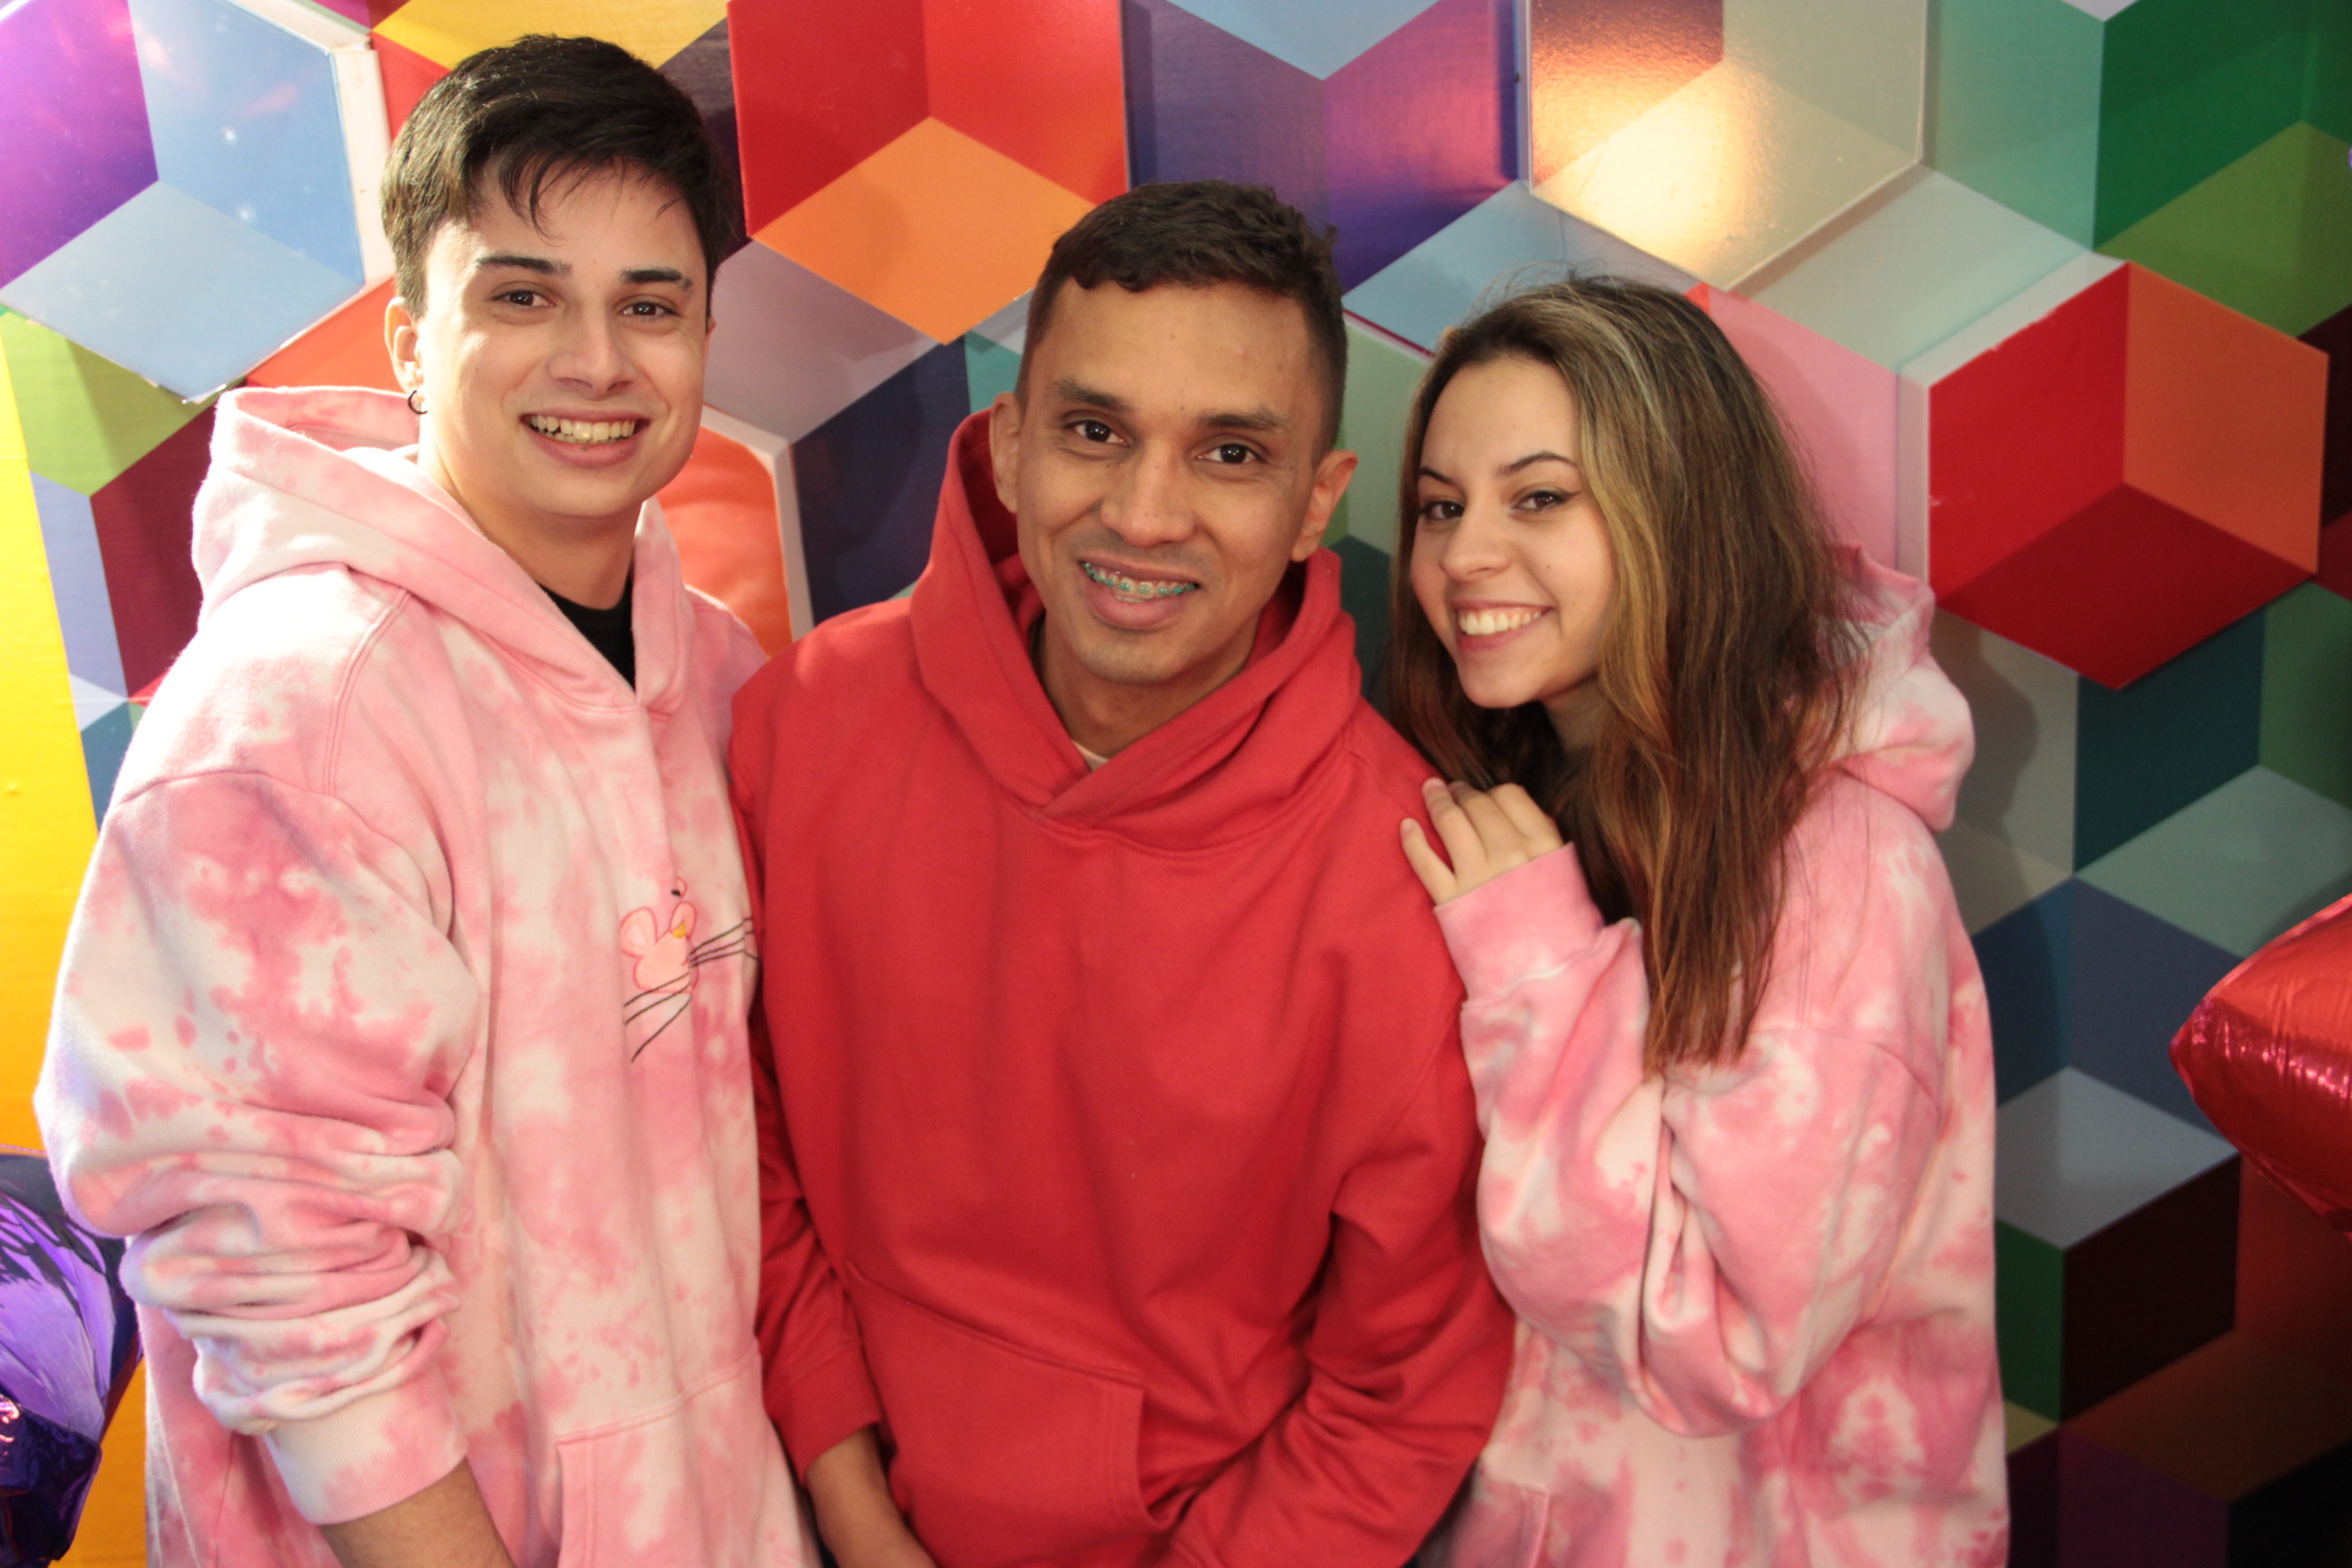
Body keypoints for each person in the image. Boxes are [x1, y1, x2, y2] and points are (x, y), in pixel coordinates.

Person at [34, 37, 810, 1568]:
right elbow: (292, 1296)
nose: (596, 360)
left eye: (650, 305)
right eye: (523, 296)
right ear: (408, 338)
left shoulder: (714, 675)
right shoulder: (300, 711)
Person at [731, 180, 1515, 1568]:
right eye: (1095, 432)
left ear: (1316, 505)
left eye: (1229, 454)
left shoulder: (1415, 888)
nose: (1146, 516)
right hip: (792, 1506)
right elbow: (740, 1141)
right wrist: (849, 1502)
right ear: (1011, 444)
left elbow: (1404, 1395)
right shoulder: (805, 721)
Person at [1389, 280, 2006, 1566]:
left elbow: (1718, 1339)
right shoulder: (1514, 800)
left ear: (1680, 511)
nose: (1464, 556)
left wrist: (1542, 967)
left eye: (1539, 498)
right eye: (1441, 507)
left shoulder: (1841, 864)